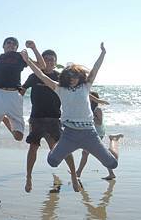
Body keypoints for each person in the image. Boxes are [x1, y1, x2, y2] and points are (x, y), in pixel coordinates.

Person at [21, 43, 119, 192]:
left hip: (89, 134)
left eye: (75, 75)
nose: (72, 78)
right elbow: (41, 75)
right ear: (65, 77)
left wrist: (103, 54)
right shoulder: (59, 88)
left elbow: (95, 69)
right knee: (52, 162)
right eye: (69, 76)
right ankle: (54, 149)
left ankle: (114, 141)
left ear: (80, 76)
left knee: (113, 164)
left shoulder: (85, 86)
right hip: (69, 135)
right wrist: (28, 61)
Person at [21, 48, 79, 192]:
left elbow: (73, 92)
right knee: (33, 147)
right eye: (46, 59)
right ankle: (28, 177)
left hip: (54, 119)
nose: (48, 62)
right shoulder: (34, 76)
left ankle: (74, 176)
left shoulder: (60, 77)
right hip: (36, 118)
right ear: (42, 61)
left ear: (55, 63)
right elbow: (21, 92)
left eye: (51, 60)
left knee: (62, 148)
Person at [0, 35, 45, 141]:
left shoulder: (20, 57)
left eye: (14, 44)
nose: (11, 45)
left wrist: (34, 48)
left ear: (16, 48)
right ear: (3, 46)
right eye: (8, 42)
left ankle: (4, 118)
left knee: (19, 137)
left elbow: (42, 66)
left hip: (15, 96)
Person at [76, 92, 123, 180]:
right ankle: (78, 173)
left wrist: (91, 116)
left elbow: (99, 122)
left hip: (98, 132)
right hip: (90, 133)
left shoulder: (97, 110)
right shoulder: (87, 109)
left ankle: (114, 140)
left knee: (88, 153)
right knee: (86, 153)